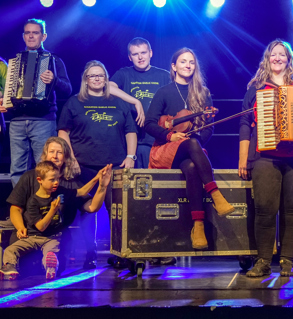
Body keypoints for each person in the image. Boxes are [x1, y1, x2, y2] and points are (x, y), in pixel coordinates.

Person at [239, 39, 293, 278]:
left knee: (291, 210)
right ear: (267, 59)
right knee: (265, 210)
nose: (277, 58)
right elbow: (245, 125)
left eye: (282, 55)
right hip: (265, 157)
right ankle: (264, 261)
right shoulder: (257, 88)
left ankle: (287, 260)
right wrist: (243, 159)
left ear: (289, 60)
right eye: (273, 54)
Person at [144, 47, 235, 250]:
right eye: (183, 62)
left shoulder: (203, 94)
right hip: (165, 149)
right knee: (192, 144)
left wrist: (196, 140)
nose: (188, 65)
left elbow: (209, 129)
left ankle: (198, 226)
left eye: (191, 62)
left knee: (193, 165)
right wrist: (170, 135)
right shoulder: (164, 92)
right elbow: (149, 123)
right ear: (174, 67)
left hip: (191, 151)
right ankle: (216, 196)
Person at [57, 60, 138, 265]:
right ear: (85, 79)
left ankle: (120, 253)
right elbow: (63, 132)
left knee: (116, 210)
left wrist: (130, 156)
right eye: (92, 75)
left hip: (114, 166)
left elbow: (131, 131)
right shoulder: (75, 102)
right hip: (83, 166)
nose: (96, 79)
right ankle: (89, 252)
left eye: (100, 75)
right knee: (87, 210)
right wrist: (71, 158)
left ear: (105, 79)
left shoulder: (118, 102)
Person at [0, 161, 112, 281]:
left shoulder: (61, 192)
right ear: (40, 180)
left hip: (52, 238)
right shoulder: (33, 201)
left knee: (51, 253)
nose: (56, 182)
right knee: (11, 250)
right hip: (31, 237)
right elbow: (41, 226)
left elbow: (82, 191)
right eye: (52, 180)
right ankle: (10, 267)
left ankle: (51, 268)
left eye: (57, 179)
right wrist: (52, 210)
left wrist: (97, 178)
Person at [0, 19, 72, 186]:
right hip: (17, 121)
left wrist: (54, 80)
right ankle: (21, 208)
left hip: (43, 120)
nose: (31, 36)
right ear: (23, 36)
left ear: (43, 36)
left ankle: (43, 208)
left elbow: (68, 89)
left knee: (46, 167)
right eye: (27, 33)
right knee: (17, 169)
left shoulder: (53, 59)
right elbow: (9, 92)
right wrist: (4, 102)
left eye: (35, 32)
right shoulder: (14, 61)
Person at [110, 37, 171, 169]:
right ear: (130, 57)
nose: (140, 57)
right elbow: (108, 87)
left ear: (150, 53)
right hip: (132, 139)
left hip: (158, 139)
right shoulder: (124, 74)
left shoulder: (164, 75)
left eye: (143, 53)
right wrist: (135, 101)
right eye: (135, 54)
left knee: (159, 184)